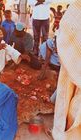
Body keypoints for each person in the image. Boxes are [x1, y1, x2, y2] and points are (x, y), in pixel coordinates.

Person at [52, 1, 81, 139]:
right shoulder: (76, 10)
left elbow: (66, 39)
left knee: (72, 106)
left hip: (75, 70)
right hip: (75, 69)